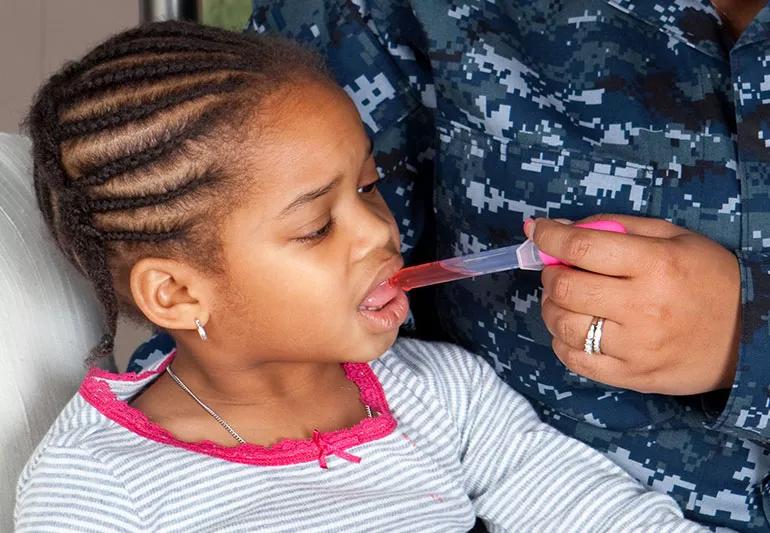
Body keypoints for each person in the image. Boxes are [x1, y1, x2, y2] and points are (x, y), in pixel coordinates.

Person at [13, 21, 706, 532]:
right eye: (317, 226)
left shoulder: (446, 396)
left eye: (370, 187)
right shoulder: (99, 485)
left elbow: (610, 518)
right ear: (178, 293)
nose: (378, 231)